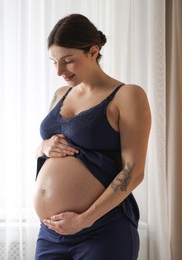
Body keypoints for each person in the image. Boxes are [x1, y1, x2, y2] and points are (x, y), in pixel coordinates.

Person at [33, 14, 151, 260]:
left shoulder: (127, 96)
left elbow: (133, 171)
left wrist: (83, 220)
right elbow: (45, 154)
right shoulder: (60, 94)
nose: (59, 71)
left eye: (67, 61)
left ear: (93, 51)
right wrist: (45, 146)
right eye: (54, 61)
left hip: (102, 229)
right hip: (51, 232)